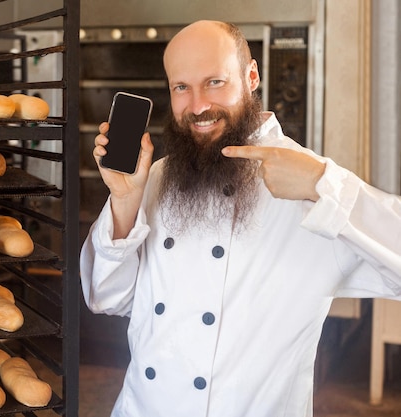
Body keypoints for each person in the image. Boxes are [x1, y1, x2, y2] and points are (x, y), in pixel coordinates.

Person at [79, 19, 401, 417]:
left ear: (251, 77)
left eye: (215, 82)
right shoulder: (157, 176)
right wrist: (125, 202)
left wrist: (322, 184)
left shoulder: (311, 184)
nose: (198, 106)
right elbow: (105, 299)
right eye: (182, 87)